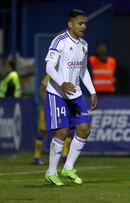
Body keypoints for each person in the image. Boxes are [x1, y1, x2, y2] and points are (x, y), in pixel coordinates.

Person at [44, 9, 97, 186]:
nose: (84, 26)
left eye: (85, 23)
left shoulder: (84, 44)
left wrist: (92, 90)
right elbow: (49, 68)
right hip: (57, 93)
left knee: (84, 128)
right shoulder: (59, 41)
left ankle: (68, 167)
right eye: (80, 23)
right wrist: (62, 83)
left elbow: (83, 71)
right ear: (70, 24)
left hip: (75, 94)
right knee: (62, 131)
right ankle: (51, 172)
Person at [32, 74, 72, 165]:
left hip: (60, 107)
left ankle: (64, 156)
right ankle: (36, 157)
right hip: (48, 108)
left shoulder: (66, 76)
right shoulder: (50, 75)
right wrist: (45, 102)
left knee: (66, 130)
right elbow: (41, 89)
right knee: (42, 131)